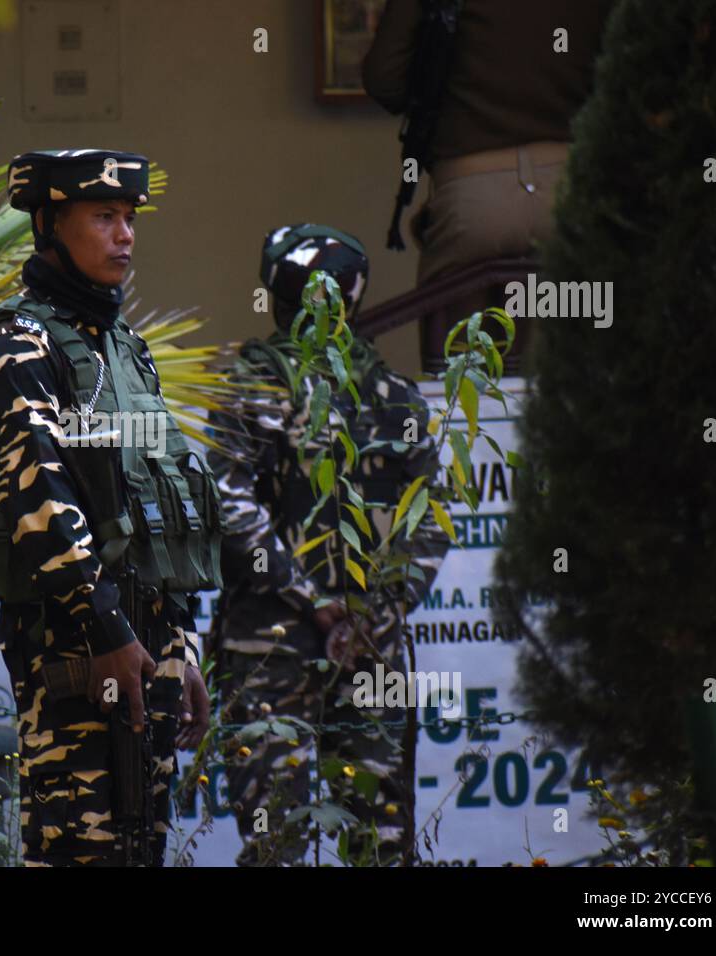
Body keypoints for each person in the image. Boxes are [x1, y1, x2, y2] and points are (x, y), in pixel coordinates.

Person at [0, 149, 223, 866]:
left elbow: (160, 508)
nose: (125, 235)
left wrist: (182, 648)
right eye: (103, 217)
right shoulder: (14, 345)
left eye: (129, 218)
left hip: (149, 649)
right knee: (78, 848)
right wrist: (105, 628)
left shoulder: (127, 350)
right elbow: (37, 496)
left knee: (139, 850)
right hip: (71, 648)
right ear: (48, 224)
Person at [207, 223, 449, 865]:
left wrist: (313, 602)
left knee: (275, 844)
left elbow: (227, 509)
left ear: (277, 295)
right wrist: (376, 614)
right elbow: (430, 521)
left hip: (269, 645)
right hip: (372, 646)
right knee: (380, 844)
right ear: (355, 299)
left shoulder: (250, 387)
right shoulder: (397, 397)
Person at [362, 0, 614, 369]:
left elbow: (384, 79)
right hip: (567, 195)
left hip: (472, 199)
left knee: (462, 389)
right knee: (562, 390)